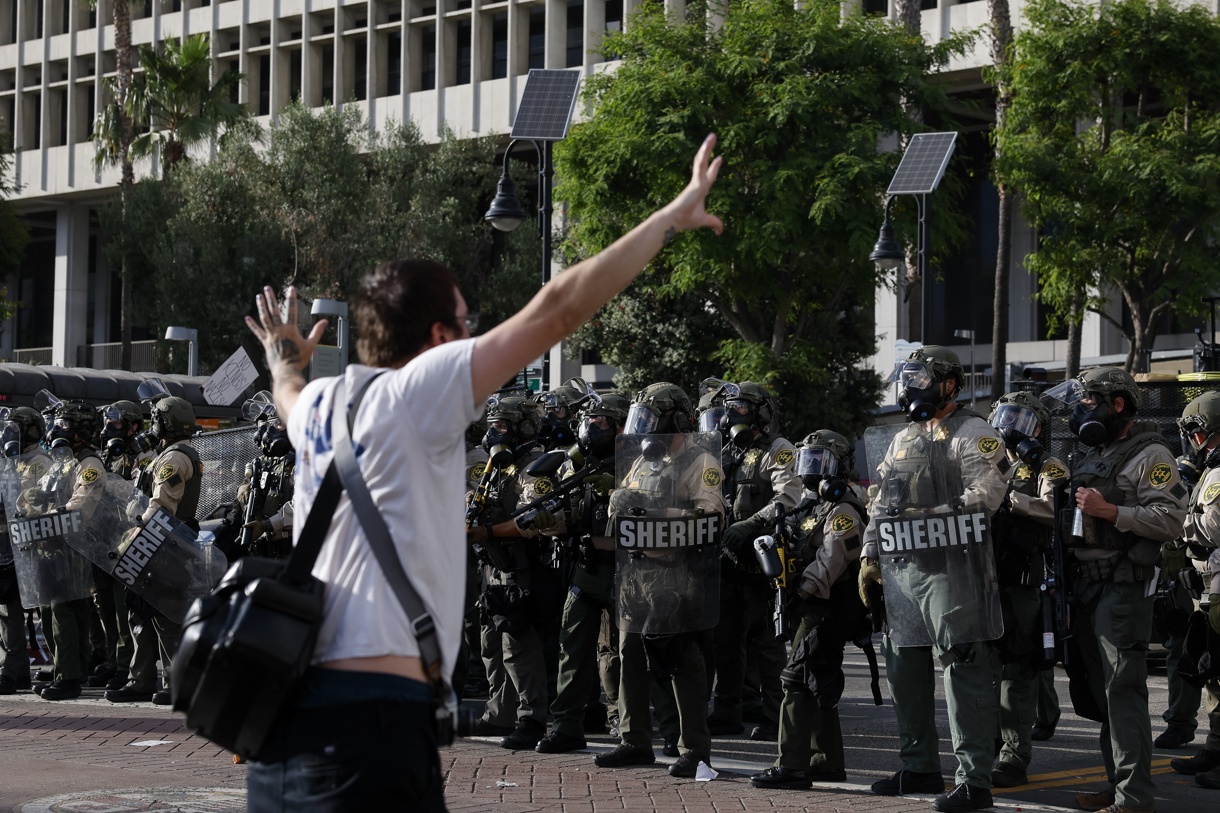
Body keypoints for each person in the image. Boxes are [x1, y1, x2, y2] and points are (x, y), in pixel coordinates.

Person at [241, 135, 723, 810]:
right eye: (468, 323)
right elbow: (559, 306)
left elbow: (288, 392)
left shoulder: (321, 405)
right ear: (439, 338)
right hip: (372, 724)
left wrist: (284, 355)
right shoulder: (420, 390)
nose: (476, 334)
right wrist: (670, 216)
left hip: (289, 718)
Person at [861, 346, 1008, 812]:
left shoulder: (974, 432)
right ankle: (919, 766)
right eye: (907, 377)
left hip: (952, 568)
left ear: (949, 384)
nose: (911, 386)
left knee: (962, 667)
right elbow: (879, 503)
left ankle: (974, 780)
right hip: (902, 569)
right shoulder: (902, 438)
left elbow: (986, 495)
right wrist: (869, 553)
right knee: (904, 666)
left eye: (921, 377)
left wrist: (929, 516)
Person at [1043, 366, 1187, 813]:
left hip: (1122, 586)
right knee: (1099, 691)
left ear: (1117, 404)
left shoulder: (1151, 453)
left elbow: (1170, 519)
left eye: (1088, 403)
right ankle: (1117, 784)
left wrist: (1110, 511)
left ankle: (1134, 797)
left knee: (1122, 690)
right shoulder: (1096, 453)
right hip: (1085, 587)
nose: (1081, 413)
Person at [594, 382, 725, 778]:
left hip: (677, 574)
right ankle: (634, 741)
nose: (645, 429)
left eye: (652, 420)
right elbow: (625, 502)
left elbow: (712, 519)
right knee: (629, 655)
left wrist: (658, 510)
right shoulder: (642, 462)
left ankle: (695, 750)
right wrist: (619, 501)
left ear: (673, 420)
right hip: (636, 573)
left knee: (683, 661)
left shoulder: (702, 463)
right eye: (642, 420)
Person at [750, 429, 868, 789]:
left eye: (821, 462)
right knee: (817, 680)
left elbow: (831, 559)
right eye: (809, 462)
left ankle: (792, 765)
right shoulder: (810, 504)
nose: (813, 471)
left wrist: (800, 591)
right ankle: (825, 761)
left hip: (825, 606)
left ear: (839, 467)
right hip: (806, 603)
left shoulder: (844, 508)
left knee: (796, 680)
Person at [536, 392, 631, 754]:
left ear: (622, 425)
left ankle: (633, 726)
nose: (592, 428)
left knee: (629, 653)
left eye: (601, 421)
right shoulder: (576, 464)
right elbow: (566, 513)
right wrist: (548, 522)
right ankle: (566, 726)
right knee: (571, 648)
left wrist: (621, 493)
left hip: (630, 570)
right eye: (589, 420)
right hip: (588, 567)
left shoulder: (641, 462)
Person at [709, 382, 802, 741]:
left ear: (761, 412)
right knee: (725, 640)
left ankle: (774, 716)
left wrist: (753, 523)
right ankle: (727, 712)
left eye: (742, 407)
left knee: (767, 644)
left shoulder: (778, 450)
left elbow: (790, 494)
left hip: (763, 560)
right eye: (730, 406)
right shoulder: (722, 450)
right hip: (726, 560)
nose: (733, 413)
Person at [986, 391, 1068, 788]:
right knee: (982, 668)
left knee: (1018, 671)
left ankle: (1014, 757)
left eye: (1022, 420)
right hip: (983, 581)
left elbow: (1056, 512)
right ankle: (985, 747)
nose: (1011, 427)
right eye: (1007, 417)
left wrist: (1011, 499)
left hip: (1022, 585)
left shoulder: (1047, 466)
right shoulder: (987, 462)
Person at [464, 394, 551, 750]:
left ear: (522, 427)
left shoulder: (534, 465)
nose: (493, 431)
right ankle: (499, 710)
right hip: (491, 565)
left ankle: (532, 717)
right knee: (490, 643)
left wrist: (487, 532)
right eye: (493, 424)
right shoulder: (498, 463)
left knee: (518, 644)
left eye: (502, 425)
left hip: (519, 566)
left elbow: (532, 520)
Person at [108, 393, 201, 706]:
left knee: (165, 613)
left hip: (164, 540)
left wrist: (133, 536)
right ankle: (141, 679)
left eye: (157, 419)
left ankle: (177, 682)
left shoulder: (174, 458)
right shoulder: (168, 453)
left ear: (167, 423)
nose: (153, 424)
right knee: (142, 610)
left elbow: (161, 506)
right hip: (161, 539)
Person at [40, 399, 107, 701]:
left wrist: (47, 518)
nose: (58, 429)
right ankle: (73, 670)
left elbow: (80, 508)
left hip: (75, 545)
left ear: (82, 431)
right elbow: (40, 492)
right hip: (59, 544)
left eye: (65, 424)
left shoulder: (89, 464)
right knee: (71, 608)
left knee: (63, 608)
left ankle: (67, 677)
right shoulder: (65, 461)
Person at [1169, 390, 1220, 790]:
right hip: (1208, 581)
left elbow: (1215, 527)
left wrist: (1180, 521)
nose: (1193, 440)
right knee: (1212, 672)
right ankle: (1216, 747)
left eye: (1196, 432)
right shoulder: (1211, 469)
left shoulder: (1219, 472)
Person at [91, 400, 153, 693]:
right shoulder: (107, 455)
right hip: (103, 538)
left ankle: (126, 662)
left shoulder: (143, 458)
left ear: (133, 427)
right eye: (109, 421)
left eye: (116, 422)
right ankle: (113, 661)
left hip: (126, 539)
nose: (109, 427)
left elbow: (140, 498)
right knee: (103, 605)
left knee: (121, 604)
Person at [0, 407, 48, 695]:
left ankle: (11, 671)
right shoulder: (11, 459)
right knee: (5, 610)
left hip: (23, 545)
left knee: (11, 609)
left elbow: (30, 503)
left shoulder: (38, 462)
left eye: (15, 427)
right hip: (7, 545)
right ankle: (15, 673)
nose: (9, 432)